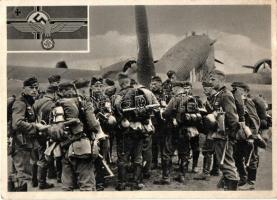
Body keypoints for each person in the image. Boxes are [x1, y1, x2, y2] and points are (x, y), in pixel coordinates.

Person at [113, 73, 158, 190]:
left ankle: (122, 183)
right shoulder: (141, 93)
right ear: (129, 82)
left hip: (125, 131)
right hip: (140, 129)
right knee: (138, 156)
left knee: (123, 157)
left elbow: (116, 109)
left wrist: (122, 119)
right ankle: (137, 182)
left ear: (120, 83)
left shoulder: (119, 95)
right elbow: (149, 110)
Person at [156, 81, 202, 184]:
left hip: (174, 130)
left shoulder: (175, 98)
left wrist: (162, 113)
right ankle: (182, 176)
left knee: (167, 153)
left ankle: (166, 177)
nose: (172, 90)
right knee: (184, 153)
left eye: (173, 88)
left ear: (177, 88)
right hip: (186, 130)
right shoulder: (192, 99)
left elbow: (166, 113)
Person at [11, 77, 48, 191]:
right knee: (21, 175)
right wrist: (35, 126)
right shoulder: (20, 103)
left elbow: (27, 119)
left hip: (26, 143)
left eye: (36, 88)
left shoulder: (28, 101)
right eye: (31, 87)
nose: (34, 90)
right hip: (20, 144)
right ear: (23, 88)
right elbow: (17, 123)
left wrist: (37, 123)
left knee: (24, 175)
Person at [208, 70, 240, 190]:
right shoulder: (218, 94)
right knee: (224, 163)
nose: (211, 82)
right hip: (219, 133)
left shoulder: (226, 95)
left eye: (213, 79)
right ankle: (227, 186)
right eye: (210, 79)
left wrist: (231, 134)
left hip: (225, 134)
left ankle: (231, 190)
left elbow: (232, 117)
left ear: (222, 80)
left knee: (226, 163)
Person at [231, 82, 266, 190]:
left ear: (245, 91)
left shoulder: (248, 102)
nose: (234, 91)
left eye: (237, 89)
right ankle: (243, 177)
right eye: (233, 89)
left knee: (251, 157)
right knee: (237, 156)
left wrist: (253, 135)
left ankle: (251, 182)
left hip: (249, 134)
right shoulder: (236, 102)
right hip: (240, 135)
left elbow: (255, 119)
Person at [194, 81, 218, 181]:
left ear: (211, 87)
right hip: (213, 127)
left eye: (206, 88)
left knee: (208, 149)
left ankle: (205, 173)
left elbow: (216, 112)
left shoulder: (217, 98)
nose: (205, 91)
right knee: (215, 149)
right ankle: (215, 170)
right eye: (204, 88)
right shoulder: (210, 98)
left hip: (215, 127)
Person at [149, 75, 167, 169]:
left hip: (163, 122)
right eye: (151, 84)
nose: (152, 86)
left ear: (160, 84)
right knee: (154, 142)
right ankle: (154, 161)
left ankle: (165, 162)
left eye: (155, 84)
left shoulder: (165, 94)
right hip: (153, 121)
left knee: (163, 143)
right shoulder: (149, 94)